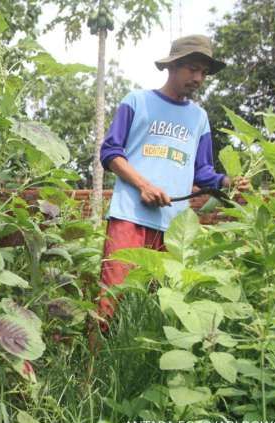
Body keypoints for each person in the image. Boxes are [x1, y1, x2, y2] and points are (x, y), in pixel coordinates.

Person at [95, 34, 250, 332]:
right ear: (173, 66)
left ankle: (138, 368)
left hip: (173, 227)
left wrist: (228, 182)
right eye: (192, 68)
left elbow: (203, 173)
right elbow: (111, 152)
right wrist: (143, 185)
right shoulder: (137, 101)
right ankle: (91, 372)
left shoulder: (199, 118)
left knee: (157, 306)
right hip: (130, 216)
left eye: (204, 73)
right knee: (110, 298)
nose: (199, 78)